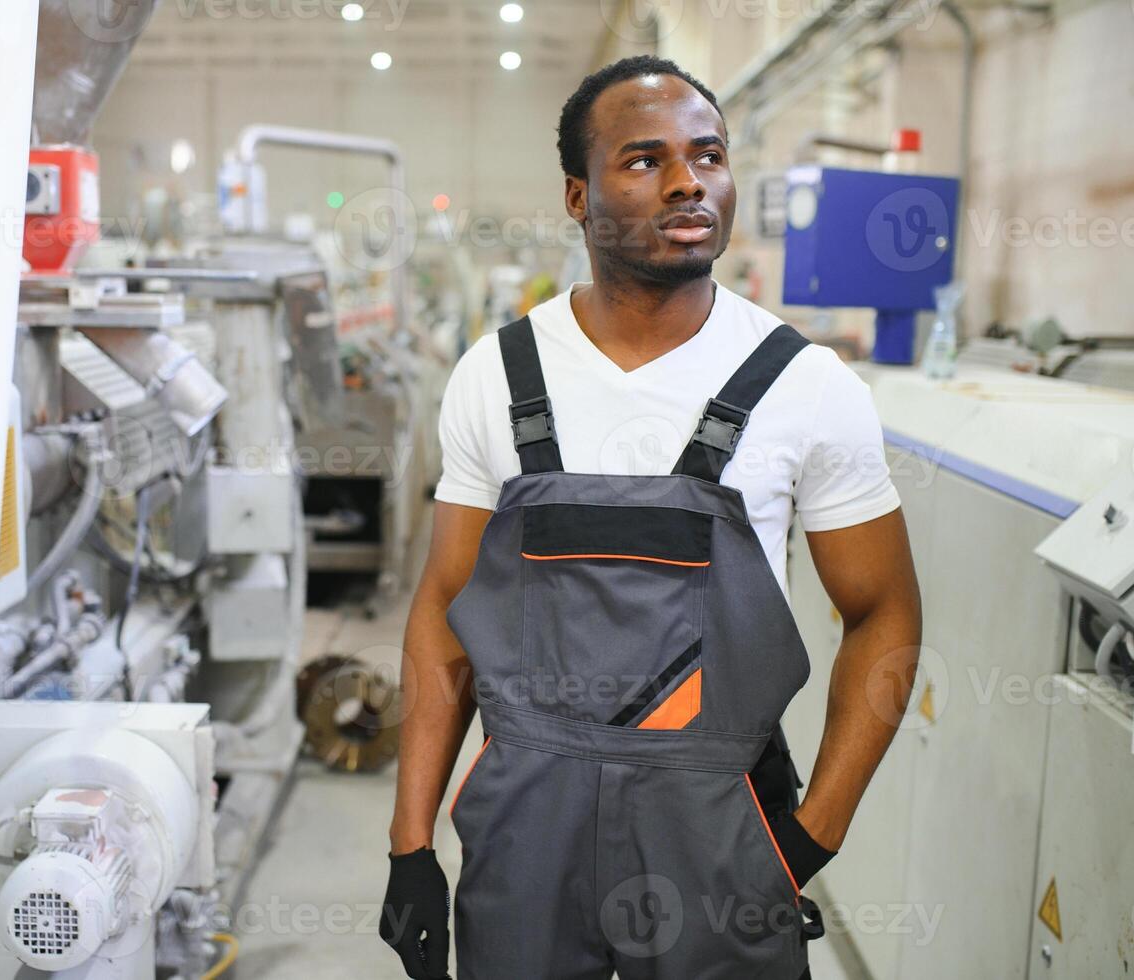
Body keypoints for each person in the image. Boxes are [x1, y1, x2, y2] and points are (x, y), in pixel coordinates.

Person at [379, 54, 922, 980]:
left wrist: (808, 838)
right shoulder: (499, 376)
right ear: (576, 194)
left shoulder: (802, 384)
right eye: (643, 160)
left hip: (720, 828)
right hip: (524, 829)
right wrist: (409, 842)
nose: (687, 182)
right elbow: (443, 612)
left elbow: (885, 615)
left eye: (707, 155)